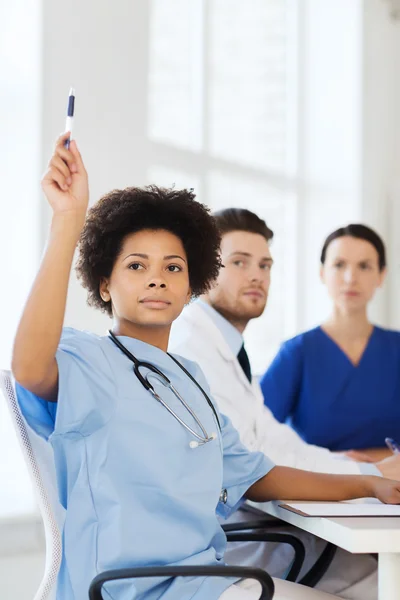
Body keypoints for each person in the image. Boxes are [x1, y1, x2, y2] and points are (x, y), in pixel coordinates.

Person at [11, 135, 400, 600]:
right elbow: (30, 368)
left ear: (192, 285)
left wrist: (367, 483)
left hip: (208, 580)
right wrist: (67, 222)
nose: (157, 276)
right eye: (136, 265)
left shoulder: (190, 378)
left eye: (173, 267)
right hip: (135, 590)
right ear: (105, 284)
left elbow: (256, 476)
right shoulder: (89, 360)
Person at [169, 208, 400, 599]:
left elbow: (276, 442)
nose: (257, 275)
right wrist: (367, 476)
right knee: (381, 581)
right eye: (239, 262)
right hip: (232, 538)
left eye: (265, 265)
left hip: (258, 527)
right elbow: (256, 465)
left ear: (382, 276)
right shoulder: (195, 351)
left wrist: (369, 471)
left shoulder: (225, 352)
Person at [260, 224, 400, 454]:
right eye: (339, 265)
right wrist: (341, 465)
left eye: (364, 266)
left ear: (381, 276)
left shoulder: (396, 350)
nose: (350, 278)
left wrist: (374, 459)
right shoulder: (297, 353)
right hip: (320, 486)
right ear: (322, 273)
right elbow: (257, 437)